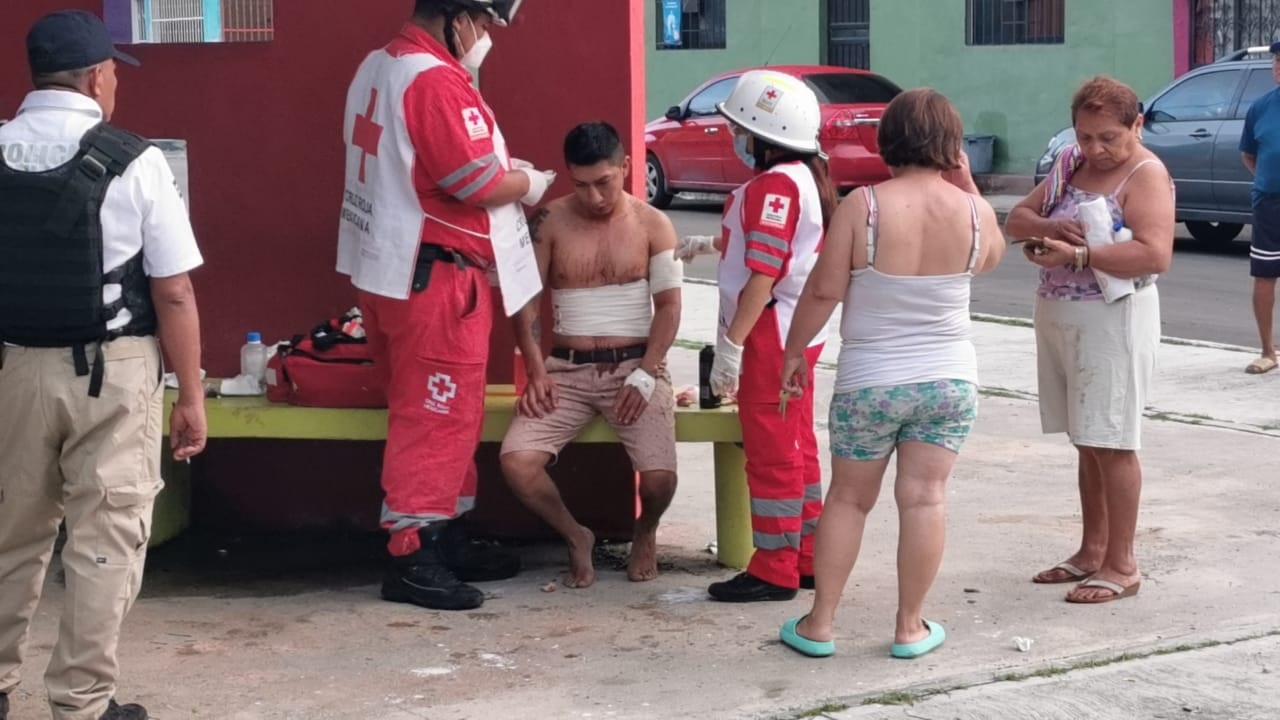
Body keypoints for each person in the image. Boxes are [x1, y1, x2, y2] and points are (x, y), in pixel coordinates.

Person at [0, 10, 207, 720]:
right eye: (113, 69)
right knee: (103, 542)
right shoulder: (135, 159)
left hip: (14, 371)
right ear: (94, 76)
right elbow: (174, 289)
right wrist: (191, 397)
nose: (115, 81)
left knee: (10, 537)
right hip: (113, 375)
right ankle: (81, 705)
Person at [336, 0, 558, 611]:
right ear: (457, 17)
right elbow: (476, 182)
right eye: (484, 23)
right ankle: (415, 550)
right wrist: (530, 182)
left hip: (390, 269)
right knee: (435, 415)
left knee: (445, 410)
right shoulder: (434, 79)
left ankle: (446, 531)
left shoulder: (377, 67)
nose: (486, 36)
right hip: (433, 278)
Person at [775, 89, 1004, 659]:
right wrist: (968, 185)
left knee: (849, 500)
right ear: (953, 146)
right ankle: (910, 626)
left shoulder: (864, 207)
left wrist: (794, 352)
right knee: (926, 499)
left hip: (870, 381)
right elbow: (993, 256)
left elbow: (825, 289)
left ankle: (821, 623)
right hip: (948, 381)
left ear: (887, 141)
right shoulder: (974, 211)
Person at [1006, 76, 1174, 603]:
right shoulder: (1068, 165)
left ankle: (1121, 564)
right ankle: (1090, 550)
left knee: (1113, 439)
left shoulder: (1146, 174)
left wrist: (1079, 255)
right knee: (1087, 438)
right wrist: (1049, 232)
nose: (1095, 150)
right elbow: (1017, 219)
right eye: (1085, 137)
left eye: (1108, 138)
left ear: (1136, 126)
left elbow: (1154, 254)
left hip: (1113, 319)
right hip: (1061, 313)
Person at [500, 122, 681, 588]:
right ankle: (576, 535)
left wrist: (645, 372)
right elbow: (525, 301)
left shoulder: (653, 223)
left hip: (636, 365)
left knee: (659, 479)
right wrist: (536, 371)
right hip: (567, 369)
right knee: (517, 462)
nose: (595, 197)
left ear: (625, 167)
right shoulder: (550, 221)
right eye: (581, 185)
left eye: (605, 182)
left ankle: (646, 530)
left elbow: (669, 306)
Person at [695, 70, 833, 603]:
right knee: (798, 448)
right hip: (796, 335)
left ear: (759, 135)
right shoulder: (802, 179)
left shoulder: (775, 186)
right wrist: (709, 244)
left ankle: (774, 568)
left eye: (739, 129)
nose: (735, 138)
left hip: (770, 338)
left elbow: (764, 272)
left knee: (772, 454)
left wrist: (732, 344)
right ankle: (806, 558)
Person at [1239, 41, 1280, 375]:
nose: (1279, 65)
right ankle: (1268, 351)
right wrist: (1268, 181)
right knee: (1265, 276)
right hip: (1269, 204)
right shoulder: (1261, 108)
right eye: (1278, 60)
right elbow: (1249, 154)